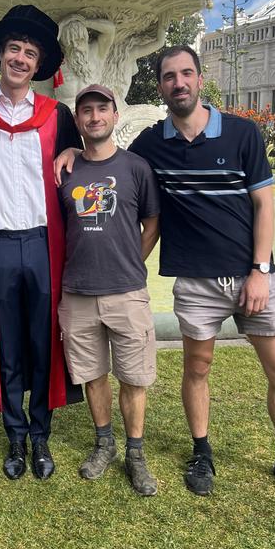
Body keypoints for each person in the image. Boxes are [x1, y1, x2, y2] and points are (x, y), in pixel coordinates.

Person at [55, 45, 275, 504]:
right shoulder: (151, 144)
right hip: (196, 280)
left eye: (186, 74)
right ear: (162, 86)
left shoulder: (242, 134)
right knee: (197, 369)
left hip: (253, 275)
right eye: (169, 76)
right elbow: (107, 156)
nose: (178, 83)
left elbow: (264, 204)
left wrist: (260, 269)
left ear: (200, 79)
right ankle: (200, 452)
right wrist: (71, 148)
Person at [0, 4, 83, 481]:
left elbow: (85, 162)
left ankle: (41, 434)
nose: (21, 59)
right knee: (4, 340)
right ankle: (15, 433)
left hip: (46, 244)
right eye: (14, 49)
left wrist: (72, 149)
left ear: (38, 64)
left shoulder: (57, 116)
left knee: (44, 339)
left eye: (30, 52)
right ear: (0, 56)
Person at [58, 84, 160, 494]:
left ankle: (136, 454)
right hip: (77, 291)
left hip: (126, 291)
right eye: (87, 111)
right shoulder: (65, 169)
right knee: (93, 374)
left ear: (115, 117)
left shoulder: (136, 167)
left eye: (103, 109)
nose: (95, 116)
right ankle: (105, 444)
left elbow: (152, 223)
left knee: (134, 377)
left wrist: (133, 262)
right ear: (78, 120)